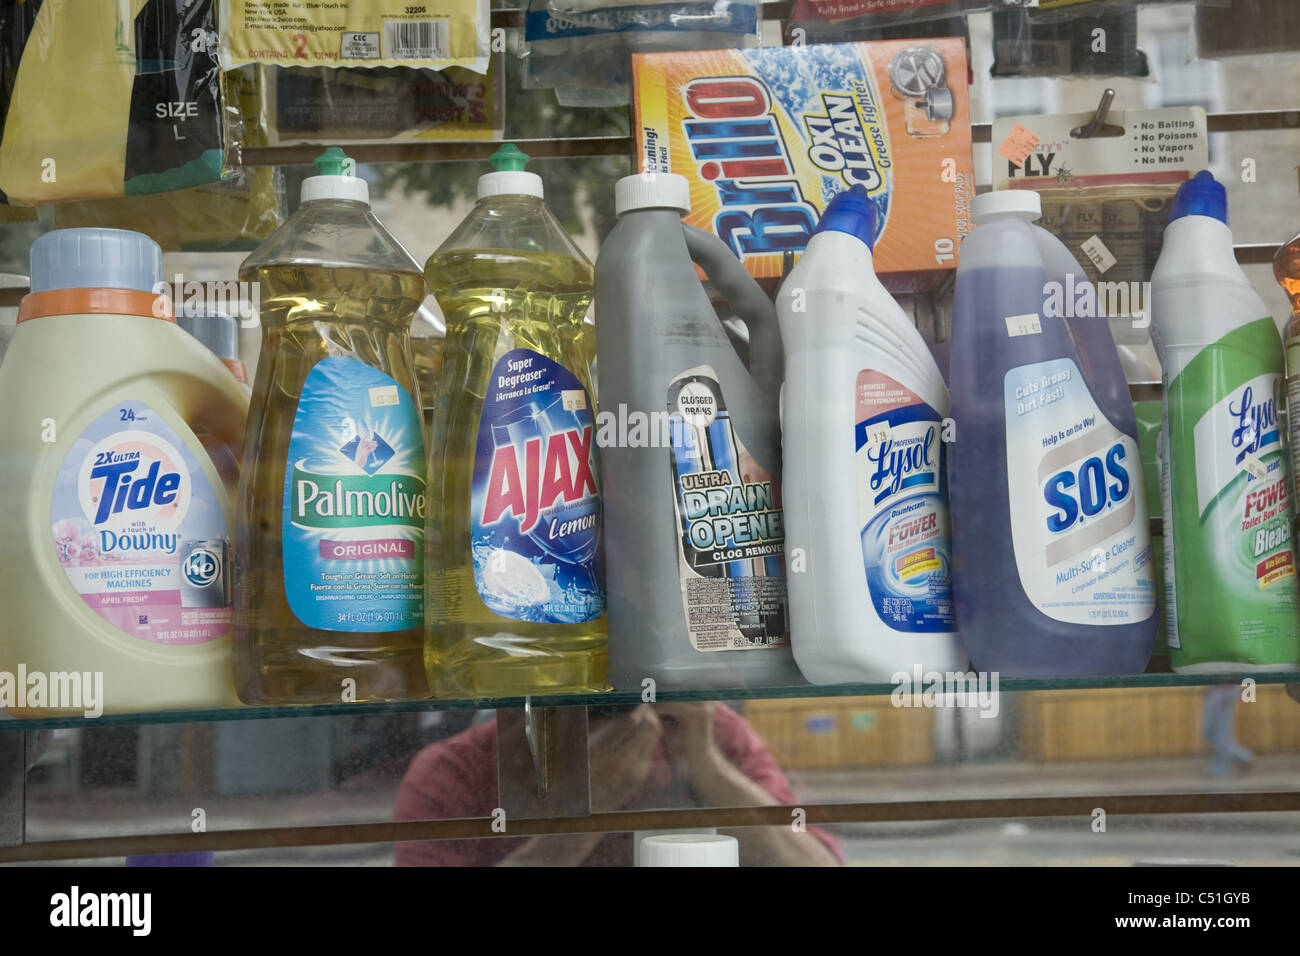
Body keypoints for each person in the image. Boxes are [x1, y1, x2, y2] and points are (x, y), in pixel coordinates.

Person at [394, 701, 842, 866]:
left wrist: (707, 768)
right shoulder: (455, 769)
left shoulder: (700, 729)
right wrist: (583, 818)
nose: (607, 713)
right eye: (568, 704)